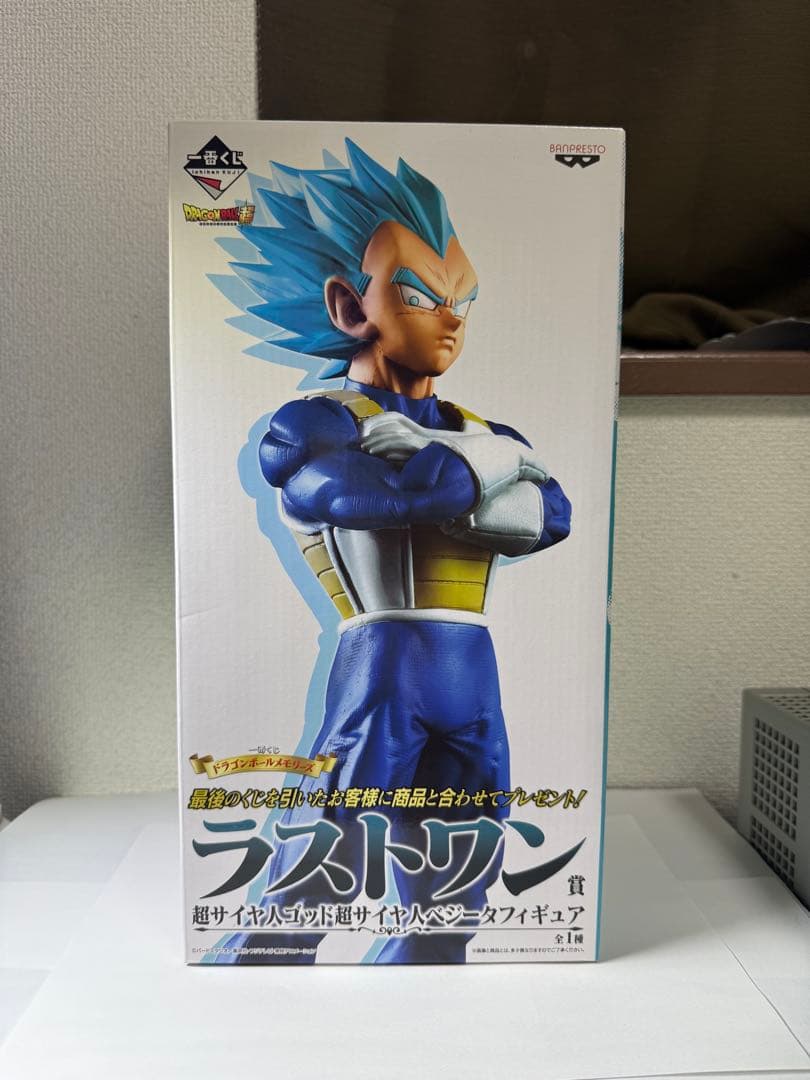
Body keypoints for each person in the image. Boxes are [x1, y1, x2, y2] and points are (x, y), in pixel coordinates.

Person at [221, 140, 571, 964]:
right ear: (350, 307)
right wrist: (495, 469)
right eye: (421, 294)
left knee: (456, 891)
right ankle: (246, 999)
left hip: (471, 674)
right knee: (324, 869)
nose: (452, 318)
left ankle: (427, 1016)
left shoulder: (486, 430)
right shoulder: (313, 424)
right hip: (380, 667)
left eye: (463, 299)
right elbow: (403, 500)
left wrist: (467, 458)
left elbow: (551, 517)